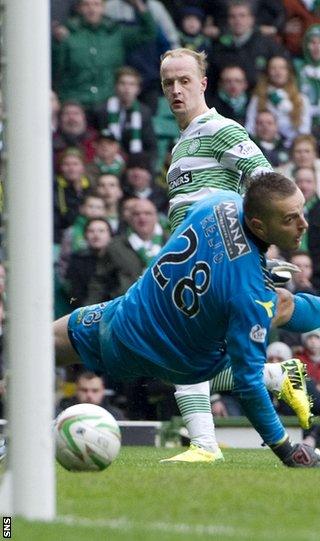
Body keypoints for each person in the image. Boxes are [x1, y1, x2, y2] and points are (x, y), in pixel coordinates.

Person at [54, 173, 320, 468]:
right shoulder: (250, 296)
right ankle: (276, 376)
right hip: (177, 360)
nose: (303, 225)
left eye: (302, 212)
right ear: (258, 224)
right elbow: (247, 384)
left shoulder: (221, 203)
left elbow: (217, 250)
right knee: (268, 313)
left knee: (33, 347)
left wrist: (254, 265)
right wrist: (286, 449)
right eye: (289, 219)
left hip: (125, 315)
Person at [52, 0, 156, 111]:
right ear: (79, 8)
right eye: (86, 5)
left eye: (96, 4)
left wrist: (138, 4)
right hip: (76, 103)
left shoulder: (116, 32)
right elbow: (56, 68)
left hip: (108, 103)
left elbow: (148, 32)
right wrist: (57, 43)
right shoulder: (67, 33)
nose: (92, 9)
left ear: (103, 7)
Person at [85, 198, 168, 304]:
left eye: (147, 213)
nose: (142, 218)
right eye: (136, 214)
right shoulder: (115, 247)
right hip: (128, 309)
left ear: (156, 216)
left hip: (165, 306)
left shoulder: (171, 242)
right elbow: (99, 283)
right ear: (129, 218)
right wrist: (87, 312)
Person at [93, 66, 158, 166]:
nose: (127, 88)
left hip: (133, 164)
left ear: (138, 89)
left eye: (131, 84)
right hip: (104, 162)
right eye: (122, 83)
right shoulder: (101, 111)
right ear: (115, 86)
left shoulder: (144, 113)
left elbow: (150, 146)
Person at [245, 55, 312, 149]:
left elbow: (305, 131)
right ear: (268, 73)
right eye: (273, 68)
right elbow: (250, 127)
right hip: (263, 148)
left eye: (282, 68)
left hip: (292, 148)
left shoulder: (302, 99)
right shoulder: (258, 98)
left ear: (288, 72)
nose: (278, 72)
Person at [56, 370, 126, 420]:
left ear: (102, 391)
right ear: (76, 390)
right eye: (84, 390)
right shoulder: (62, 413)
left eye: (95, 390)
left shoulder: (114, 416)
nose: (89, 395)